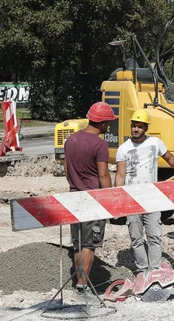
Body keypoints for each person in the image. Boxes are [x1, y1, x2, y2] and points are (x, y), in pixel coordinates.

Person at [114, 109, 174, 274]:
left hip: (152, 197)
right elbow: (120, 175)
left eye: (140, 126)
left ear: (146, 128)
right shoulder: (123, 149)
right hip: (132, 199)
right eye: (134, 126)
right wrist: (118, 198)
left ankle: (154, 270)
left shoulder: (155, 143)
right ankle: (142, 270)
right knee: (136, 237)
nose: (136, 129)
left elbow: (168, 157)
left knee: (154, 235)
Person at [64, 102, 115, 302]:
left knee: (77, 244)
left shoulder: (71, 140)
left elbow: (68, 172)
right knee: (89, 244)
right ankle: (82, 291)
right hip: (93, 200)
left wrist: (75, 186)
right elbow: (103, 176)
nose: (109, 126)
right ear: (102, 123)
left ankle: (79, 284)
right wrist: (111, 199)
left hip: (74, 197)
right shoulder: (99, 144)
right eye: (108, 123)